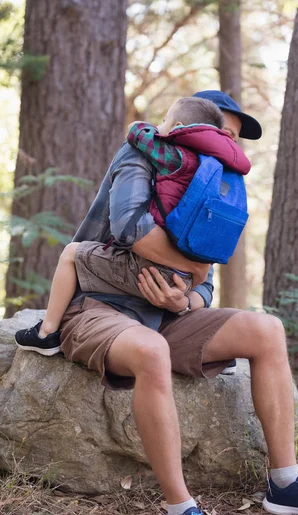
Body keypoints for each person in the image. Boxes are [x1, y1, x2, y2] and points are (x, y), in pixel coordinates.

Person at [16, 90, 298, 515]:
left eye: (233, 139)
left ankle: (286, 483)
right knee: (151, 350)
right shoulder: (144, 153)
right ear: (195, 128)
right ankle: (181, 514)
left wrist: (187, 296)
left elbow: (207, 281)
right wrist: (192, 271)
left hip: (170, 311)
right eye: (223, 132)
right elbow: (132, 226)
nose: (227, 145)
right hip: (99, 304)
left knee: (268, 330)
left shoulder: (213, 180)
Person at [15, 96, 250, 356]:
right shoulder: (214, 175)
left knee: (71, 253)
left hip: (151, 276)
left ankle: (47, 332)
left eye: (164, 121)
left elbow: (139, 135)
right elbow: (196, 262)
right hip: (172, 281)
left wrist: (142, 125)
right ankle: (216, 356)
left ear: (179, 126)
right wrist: (194, 269)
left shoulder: (175, 158)